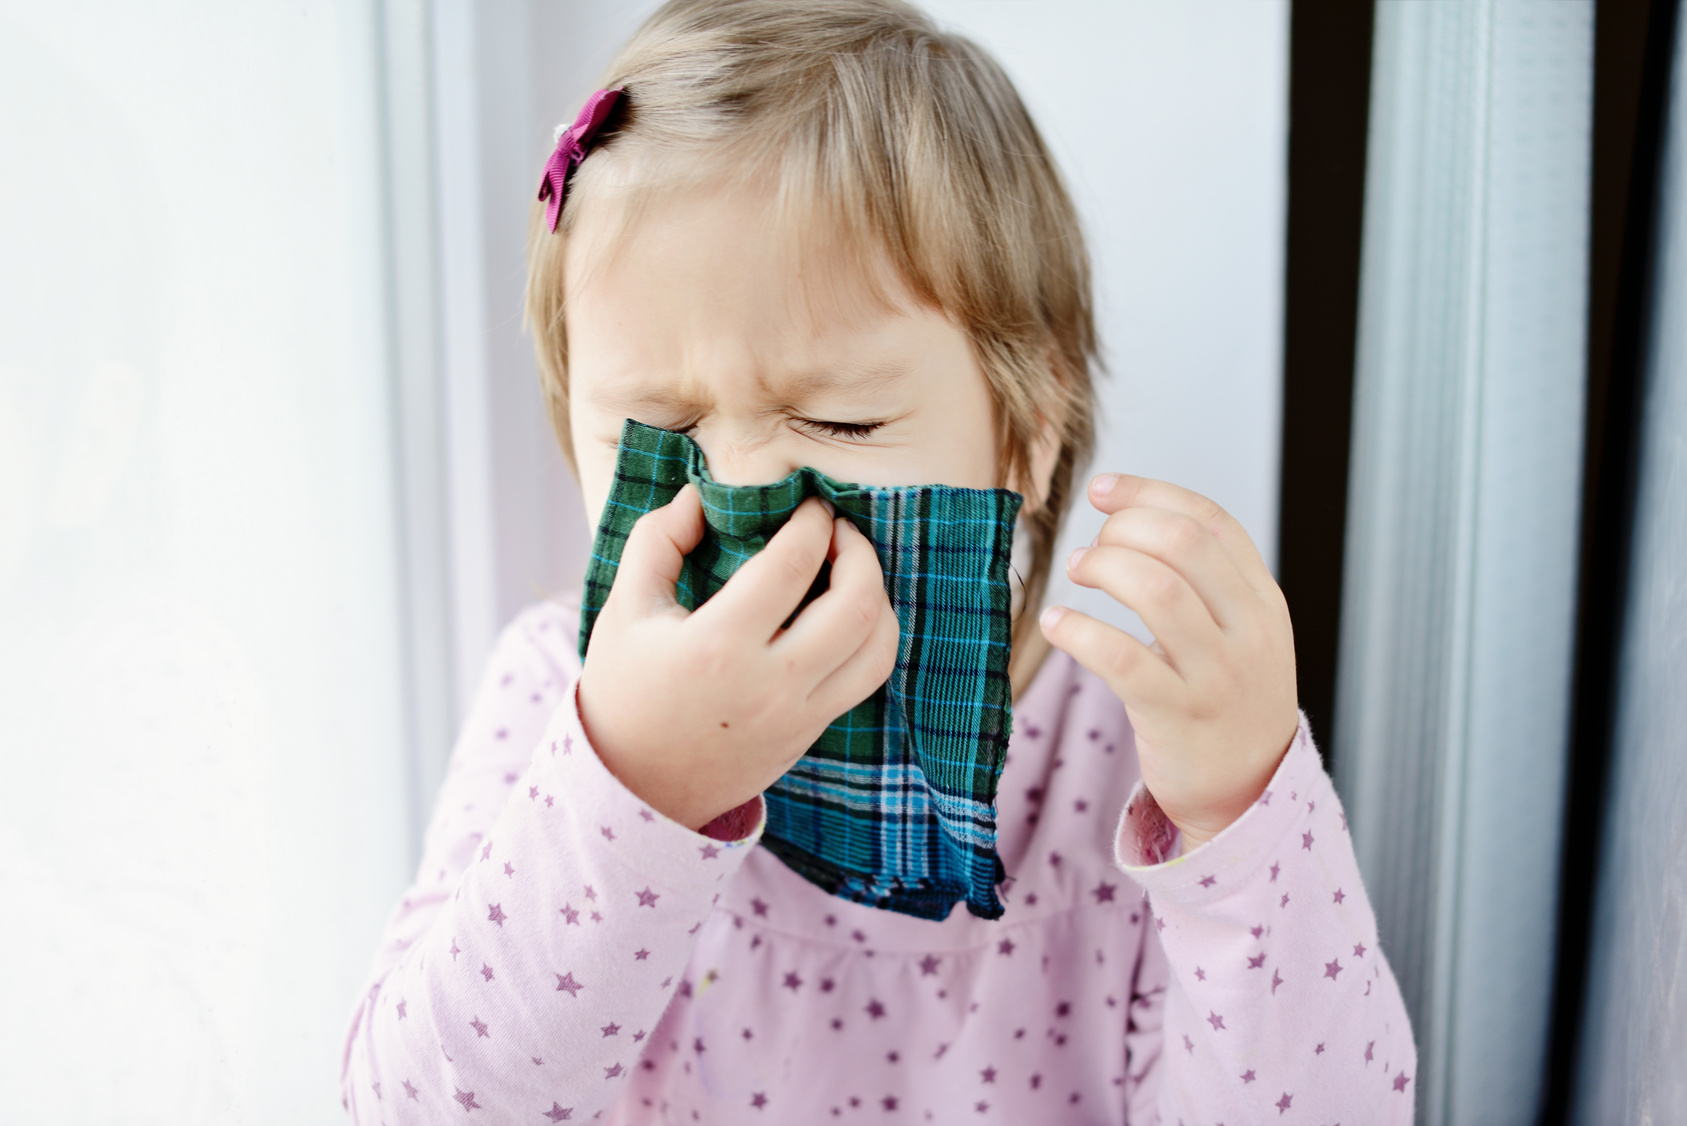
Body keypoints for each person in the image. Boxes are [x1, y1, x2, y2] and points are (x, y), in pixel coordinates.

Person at [340, 1, 1415, 1120]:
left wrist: (1239, 821)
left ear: (1027, 432)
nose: (745, 491)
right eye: (656, 428)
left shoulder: (1134, 766)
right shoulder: (552, 697)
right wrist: (635, 785)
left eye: (841, 426)